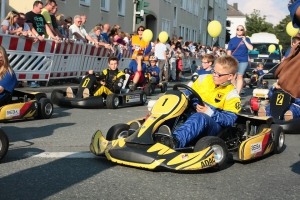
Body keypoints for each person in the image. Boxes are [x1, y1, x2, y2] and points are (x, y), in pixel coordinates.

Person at [156, 55, 241, 148]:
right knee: (173, 106)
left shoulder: (232, 94)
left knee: (200, 117)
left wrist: (208, 112)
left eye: (219, 74)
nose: (214, 75)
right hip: (193, 114)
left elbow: (229, 120)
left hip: (214, 126)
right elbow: (187, 93)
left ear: (230, 76)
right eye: (214, 72)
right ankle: (154, 133)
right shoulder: (203, 79)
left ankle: (175, 141)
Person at [227, 25, 253, 95]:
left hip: (243, 60)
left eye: (241, 29)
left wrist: (244, 40)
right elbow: (229, 51)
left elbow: (250, 48)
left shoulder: (247, 39)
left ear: (243, 31)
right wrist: (229, 60)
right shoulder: (232, 40)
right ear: (236, 30)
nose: (239, 30)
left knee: (240, 76)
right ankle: (233, 90)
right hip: (234, 60)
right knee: (233, 76)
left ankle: (237, 93)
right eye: (238, 29)